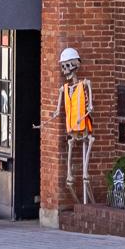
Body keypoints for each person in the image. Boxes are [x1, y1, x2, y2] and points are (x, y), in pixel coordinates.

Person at [50, 47, 93, 204]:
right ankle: (72, 182)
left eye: (67, 66)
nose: (64, 70)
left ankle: (88, 199)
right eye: (63, 66)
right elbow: (58, 109)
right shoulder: (65, 89)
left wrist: (85, 113)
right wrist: (51, 117)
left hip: (83, 126)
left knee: (86, 143)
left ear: (75, 65)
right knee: (70, 144)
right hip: (71, 128)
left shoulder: (85, 84)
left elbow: (90, 107)